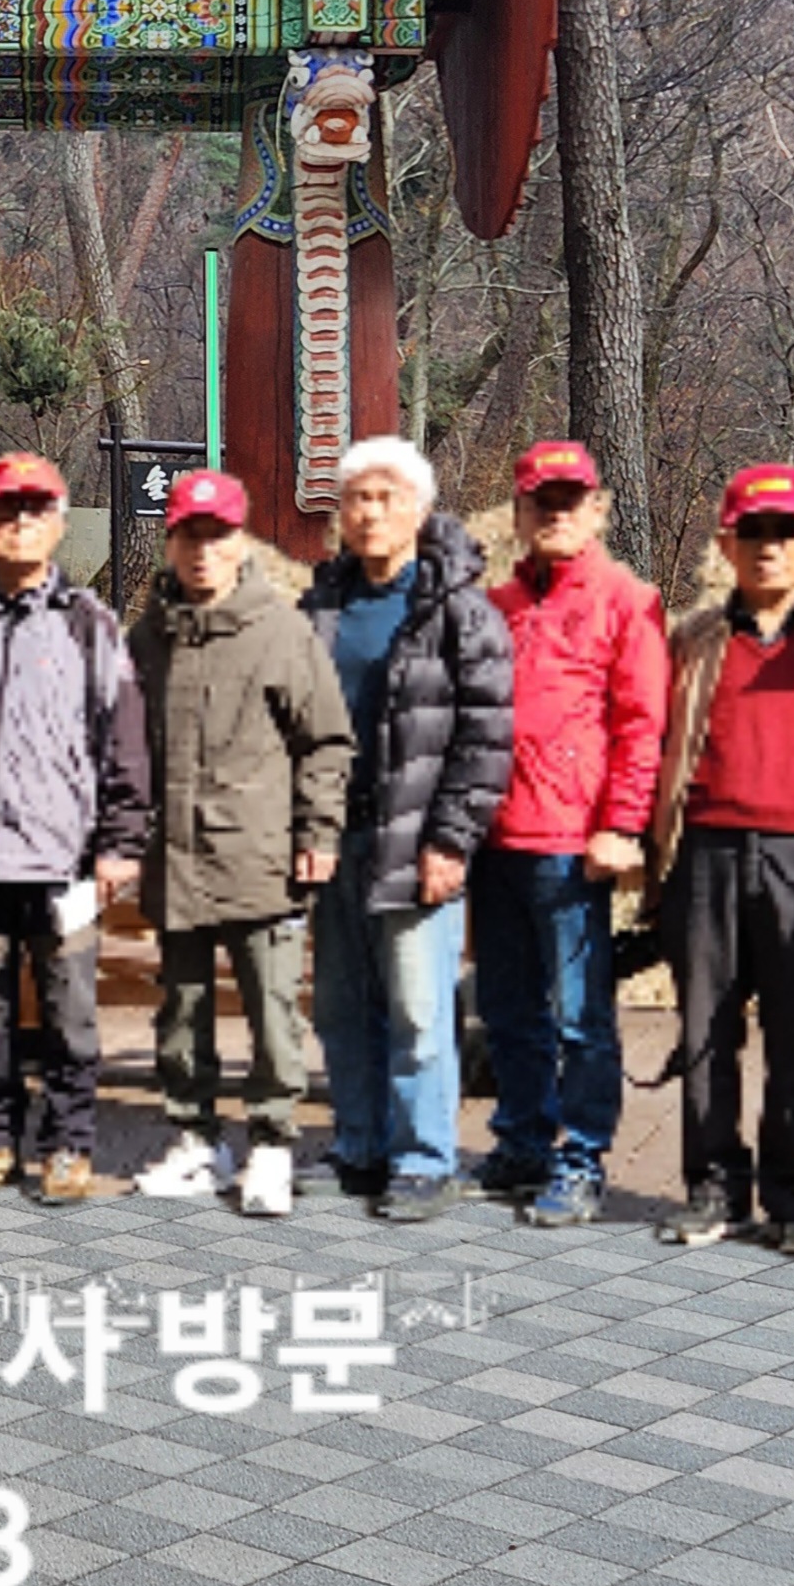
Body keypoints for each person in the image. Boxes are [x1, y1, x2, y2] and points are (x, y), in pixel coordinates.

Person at [642, 464, 794, 1258]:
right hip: (704, 855)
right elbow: (653, 746)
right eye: (753, 531)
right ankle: (714, 1190)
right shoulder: (693, 638)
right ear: (727, 543)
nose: (770, 546)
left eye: (786, 531)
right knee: (706, 1032)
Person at [127, 469, 351, 1218]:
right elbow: (123, 748)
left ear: (240, 541)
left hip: (262, 860)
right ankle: (196, 1140)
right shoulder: (149, 637)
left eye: (217, 536)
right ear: (172, 542)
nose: (203, 551)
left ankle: (272, 1144)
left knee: (271, 1012)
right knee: (181, 1013)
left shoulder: (281, 632)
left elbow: (326, 742)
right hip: (175, 860)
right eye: (190, 536)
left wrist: (319, 831)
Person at [300, 437, 512, 1224]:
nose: (371, 512)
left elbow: (486, 736)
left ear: (419, 510)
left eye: (387, 497)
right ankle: (358, 1147)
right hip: (338, 839)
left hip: (419, 839)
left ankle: (425, 1158)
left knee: (419, 1011)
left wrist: (451, 839)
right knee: (343, 1006)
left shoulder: (458, 608)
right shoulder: (322, 606)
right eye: (358, 497)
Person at [0, 452, 148, 1205]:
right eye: (7, 509)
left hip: (67, 862)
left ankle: (69, 1145)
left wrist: (121, 842)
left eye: (35, 509)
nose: (21, 522)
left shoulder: (89, 625)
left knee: (69, 1010)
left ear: (58, 523)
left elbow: (125, 743)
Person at [477, 441, 667, 1227]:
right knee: (509, 1008)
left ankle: (581, 1157)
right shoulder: (497, 607)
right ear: (520, 513)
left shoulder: (627, 601)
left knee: (580, 1016)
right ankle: (522, 1140)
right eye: (541, 502)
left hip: (571, 845)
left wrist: (622, 823)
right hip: (495, 839)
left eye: (570, 501)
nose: (555, 514)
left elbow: (642, 724)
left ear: (597, 509)